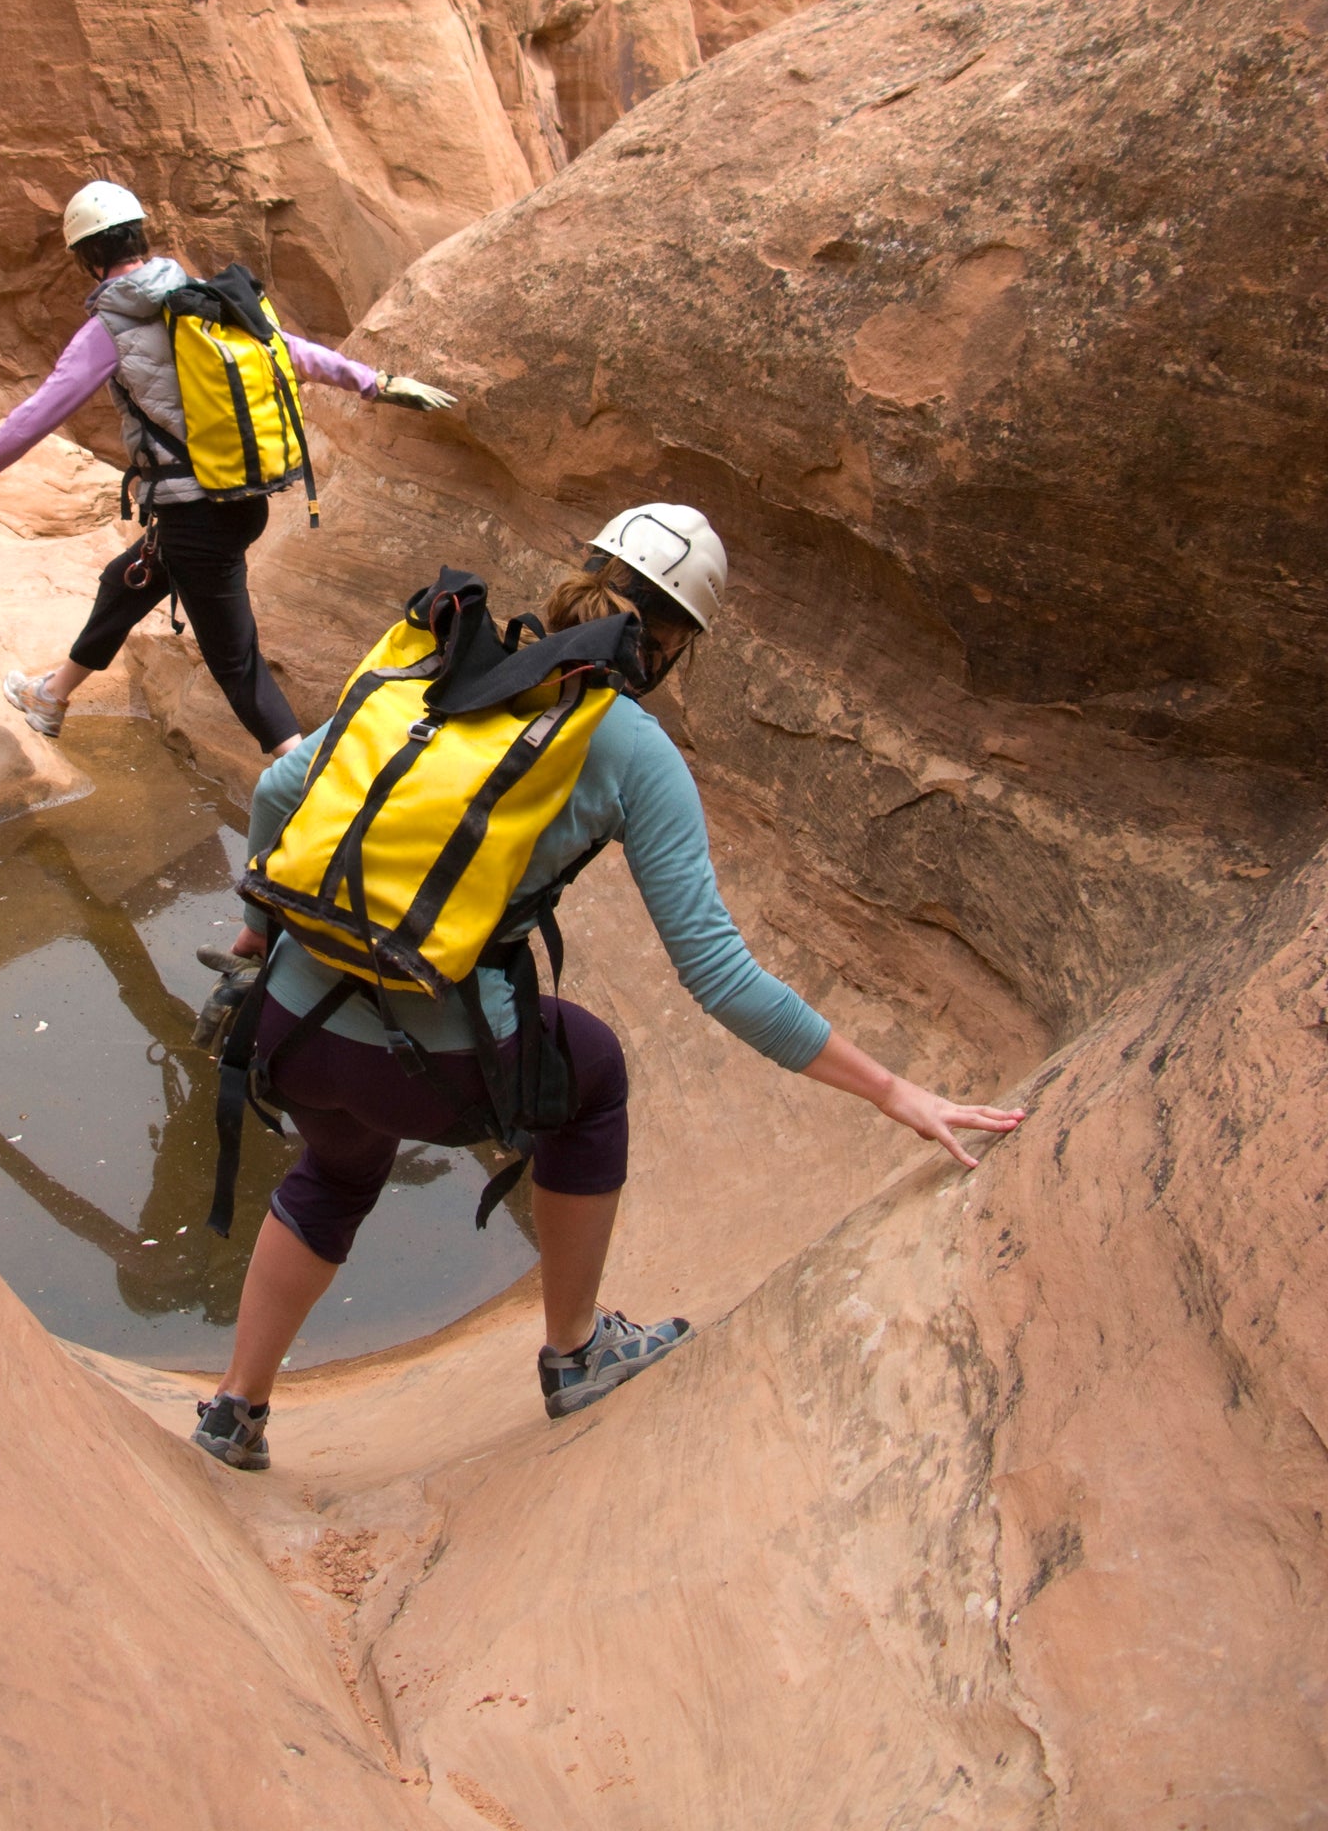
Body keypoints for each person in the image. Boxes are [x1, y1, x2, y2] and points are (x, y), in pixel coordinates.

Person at [191, 503, 1025, 1472]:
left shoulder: (440, 660)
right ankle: (576, 1349)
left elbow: (277, 794)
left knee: (336, 1169)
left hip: (290, 1025)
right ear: (672, 646)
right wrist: (894, 1089)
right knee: (593, 1072)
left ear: (580, 573)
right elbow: (718, 975)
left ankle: (236, 1407)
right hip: (436, 1064)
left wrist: (256, 941)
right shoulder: (628, 744)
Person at [0, 181, 453, 754]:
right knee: (127, 579)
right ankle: (52, 695)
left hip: (198, 518)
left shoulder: (107, 330)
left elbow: (33, 418)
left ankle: (307, 781)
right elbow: (290, 349)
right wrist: (379, 382)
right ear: (140, 238)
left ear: (88, 259)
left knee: (236, 663)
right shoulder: (201, 297)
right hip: (241, 501)